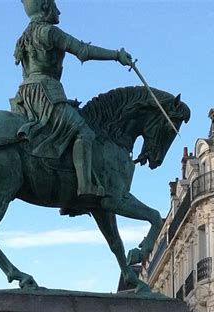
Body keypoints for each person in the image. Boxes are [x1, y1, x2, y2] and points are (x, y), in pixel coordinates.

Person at [12, 0, 133, 199]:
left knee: (62, 135)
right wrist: (116, 55)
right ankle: (85, 186)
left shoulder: (23, 38)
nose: (58, 11)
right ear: (45, 7)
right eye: (54, 5)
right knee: (83, 132)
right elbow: (83, 51)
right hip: (47, 92)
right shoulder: (49, 32)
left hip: (24, 97)